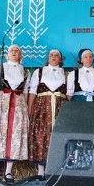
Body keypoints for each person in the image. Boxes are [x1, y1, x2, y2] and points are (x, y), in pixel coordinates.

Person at [0, 45, 30, 182]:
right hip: (2, 102)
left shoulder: (25, 71)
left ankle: (9, 171)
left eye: (17, 51)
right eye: (12, 51)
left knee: (15, 134)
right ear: (7, 54)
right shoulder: (0, 68)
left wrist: (25, 108)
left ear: (21, 55)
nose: (14, 52)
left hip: (18, 104)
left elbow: (26, 91)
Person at [27, 49, 69, 177]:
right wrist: (30, 109)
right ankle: (41, 169)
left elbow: (68, 94)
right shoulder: (39, 72)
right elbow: (32, 92)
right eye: (51, 55)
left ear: (61, 59)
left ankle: (55, 168)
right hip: (42, 108)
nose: (54, 57)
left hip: (60, 107)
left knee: (58, 135)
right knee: (41, 134)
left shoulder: (66, 74)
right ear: (48, 58)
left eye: (56, 55)